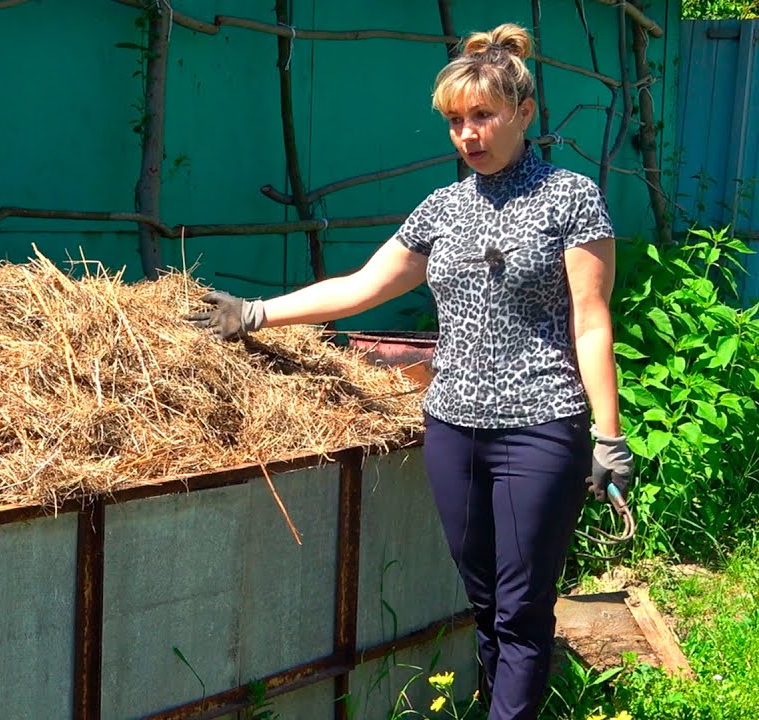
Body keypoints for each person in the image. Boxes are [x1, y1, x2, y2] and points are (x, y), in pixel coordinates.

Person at [185, 23, 633, 720]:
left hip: (540, 427)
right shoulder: (443, 208)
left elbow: (592, 320)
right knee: (484, 600)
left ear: (523, 112)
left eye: (482, 115)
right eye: (455, 120)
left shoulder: (570, 199)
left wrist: (608, 435)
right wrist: (255, 313)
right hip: (453, 427)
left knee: (521, 607)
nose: (468, 134)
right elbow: (363, 287)